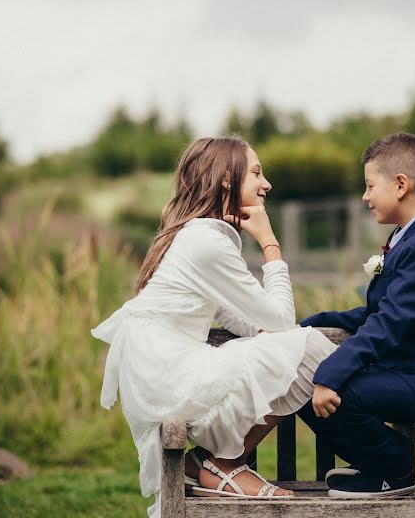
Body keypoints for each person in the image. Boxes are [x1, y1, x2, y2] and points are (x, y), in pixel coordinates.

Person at [92, 136, 336, 517]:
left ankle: (208, 463)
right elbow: (283, 320)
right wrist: (270, 243)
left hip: (164, 373)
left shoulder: (198, 236)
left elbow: (237, 316)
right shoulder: (205, 242)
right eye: (256, 172)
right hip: (168, 378)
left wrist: (264, 334)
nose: (266, 183)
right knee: (310, 346)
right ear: (226, 180)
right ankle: (220, 465)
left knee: (295, 346)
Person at [298, 132, 415, 497]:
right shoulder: (408, 238)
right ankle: (378, 467)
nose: (365, 196)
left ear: (401, 185)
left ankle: (397, 469)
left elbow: (388, 324)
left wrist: (329, 375)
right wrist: (309, 324)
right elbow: (375, 312)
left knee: (338, 394)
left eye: (370, 185)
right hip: (406, 371)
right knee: (302, 385)